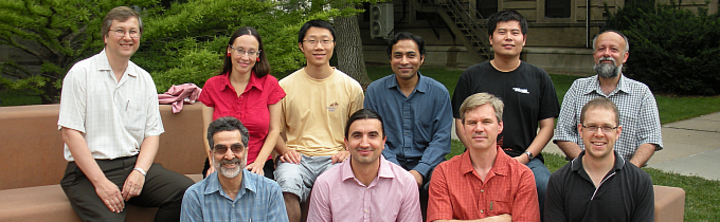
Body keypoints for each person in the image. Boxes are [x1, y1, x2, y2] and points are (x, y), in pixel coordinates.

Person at [57, 6, 194, 221]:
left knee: (187, 194)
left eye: (133, 31)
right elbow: (70, 134)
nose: (127, 37)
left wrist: (139, 172)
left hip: (132, 165)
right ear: (105, 36)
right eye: (120, 31)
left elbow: (152, 134)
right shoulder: (80, 74)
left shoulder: (144, 79)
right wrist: (101, 183)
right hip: (87, 172)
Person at [450, 10, 559, 217]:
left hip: (525, 158)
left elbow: (547, 127)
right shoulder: (471, 76)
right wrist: (479, 153)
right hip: (477, 156)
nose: (508, 37)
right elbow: (460, 124)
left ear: (524, 40)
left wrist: (525, 158)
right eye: (502, 32)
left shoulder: (539, 78)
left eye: (514, 32)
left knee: (545, 185)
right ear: (491, 38)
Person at [274, 19, 364, 222]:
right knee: (287, 185)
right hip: (297, 158)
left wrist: (348, 150)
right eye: (312, 41)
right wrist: (285, 151)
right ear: (301, 46)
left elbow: (359, 129)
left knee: (340, 187)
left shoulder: (351, 87)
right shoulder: (284, 86)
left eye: (325, 40)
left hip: (336, 157)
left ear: (334, 44)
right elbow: (274, 131)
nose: (319, 47)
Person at [363, 32, 452, 206]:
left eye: (411, 55)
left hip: (429, 163)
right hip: (385, 160)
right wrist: (397, 170)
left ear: (421, 59)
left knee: (443, 182)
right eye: (398, 56)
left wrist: (420, 170)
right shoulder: (375, 91)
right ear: (390, 59)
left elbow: (441, 139)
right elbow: (372, 135)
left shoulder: (439, 93)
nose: (404, 61)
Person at [553, 30, 662, 167]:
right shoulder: (577, 88)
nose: (606, 53)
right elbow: (564, 135)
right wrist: (588, 166)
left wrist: (628, 173)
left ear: (625, 56)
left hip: (626, 174)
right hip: (582, 172)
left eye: (614, 49)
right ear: (594, 55)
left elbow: (650, 139)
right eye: (601, 49)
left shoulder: (641, 93)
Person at [428, 92, 540, 222]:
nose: (479, 128)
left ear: (500, 126)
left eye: (486, 122)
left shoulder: (522, 176)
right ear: (463, 128)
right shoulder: (443, 173)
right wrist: (496, 220)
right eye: (472, 123)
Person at [544, 97, 654, 221]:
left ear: (618, 132)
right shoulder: (559, 181)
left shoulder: (639, 182)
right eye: (592, 126)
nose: (599, 134)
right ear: (580, 130)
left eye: (607, 127)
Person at [198, 26, 285, 179]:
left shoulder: (270, 84)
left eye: (251, 52)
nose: (245, 57)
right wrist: (213, 163)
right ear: (229, 50)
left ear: (258, 55)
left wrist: (259, 163)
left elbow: (274, 130)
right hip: (221, 160)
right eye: (240, 50)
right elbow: (207, 132)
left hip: (258, 161)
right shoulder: (212, 86)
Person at [307, 109, 422, 221]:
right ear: (346, 143)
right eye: (357, 136)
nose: (364, 144)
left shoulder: (405, 183)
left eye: (372, 135)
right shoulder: (325, 184)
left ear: (383, 142)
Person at [181, 117, 288, 221]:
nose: (229, 156)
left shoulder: (270, 192)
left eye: (236, 148)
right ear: (211, 155)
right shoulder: (195, 197)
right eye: (221, 149)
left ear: (246, 152)